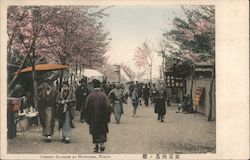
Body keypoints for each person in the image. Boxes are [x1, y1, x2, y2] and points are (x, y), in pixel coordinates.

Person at [84, 79, 111, 153]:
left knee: (94, 131)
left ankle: (96, 145)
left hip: (93, 117)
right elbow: (108, 106)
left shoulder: (90, 96)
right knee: (102, 130)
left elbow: (86, 107)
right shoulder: (103, 95)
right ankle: (102, 143)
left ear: (93, 86)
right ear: (100, 86)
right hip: (102, 117)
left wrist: (87, 118)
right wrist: (107, 116)